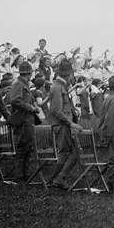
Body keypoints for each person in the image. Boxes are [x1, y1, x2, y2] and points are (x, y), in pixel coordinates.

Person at [49, 59, 83, 189]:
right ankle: (59, 178)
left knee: (69, 152)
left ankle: (57, 179)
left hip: (64, 124)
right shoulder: (57, 87)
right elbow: (56, 111)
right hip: (62, 124)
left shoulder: (60, 86)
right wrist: (71, 123)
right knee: (69, 152)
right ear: (69, 75)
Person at [9, 62, 40, 183]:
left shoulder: (24, 84)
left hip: (28, 121)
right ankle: (19, 176)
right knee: (22, 149)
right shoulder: (18, 84)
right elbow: (15, 100)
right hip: (23, 121)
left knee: (28, 148)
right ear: (29, 72)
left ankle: (26, 175)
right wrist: (31, 108)